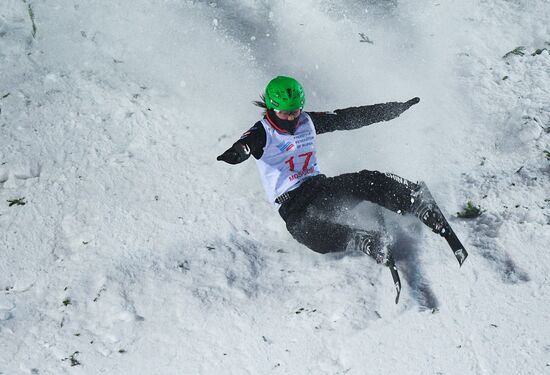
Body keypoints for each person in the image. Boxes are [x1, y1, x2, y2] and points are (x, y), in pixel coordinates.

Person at [217, 76, 452, 266]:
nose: (291, 119)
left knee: (365, 180)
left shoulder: (307, 121)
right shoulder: (262, 132)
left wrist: (392, 110)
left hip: (320, 189)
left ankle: (413, 201)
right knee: (306, 232)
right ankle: (359, 239)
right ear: (271, 108)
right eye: (285, 114)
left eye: (295, 112)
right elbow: (245, 146)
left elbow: (347, 118)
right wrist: (237, 153)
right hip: (293, 205)